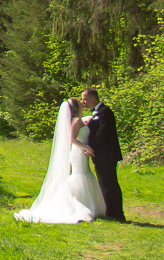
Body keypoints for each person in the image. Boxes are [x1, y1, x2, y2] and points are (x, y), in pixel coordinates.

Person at [13, 96, 107, 224]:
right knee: (79, 176)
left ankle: (85, 203)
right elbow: (72, 139)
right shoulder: (76, 120)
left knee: (83, 175)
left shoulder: (79, 120)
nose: (82, 102)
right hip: (78, 154)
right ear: (75, 107)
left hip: (81, 153)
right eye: (79, 101)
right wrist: (88, 148)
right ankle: (77, 205)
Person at [77, 86, 125, 222]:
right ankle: (110, 211)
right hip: (101, 155)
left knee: (110, 184)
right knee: (104, 184)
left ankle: (117, 213)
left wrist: (90, 147)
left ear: (93, 98)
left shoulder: (104, 112)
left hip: (107, 155)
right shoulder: (96, 113)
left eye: (84, 99)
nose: (83, 102)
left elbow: (102, 133)